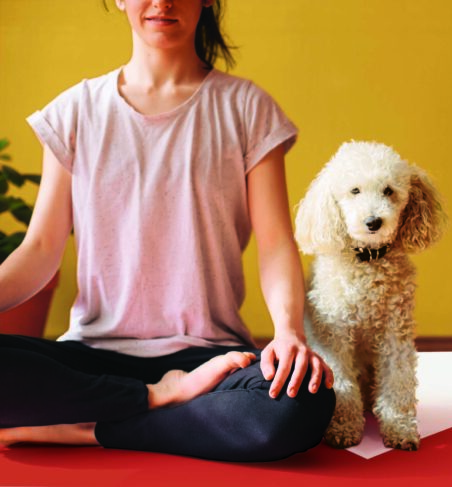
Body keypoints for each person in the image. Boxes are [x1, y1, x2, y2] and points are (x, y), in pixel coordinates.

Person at [0, 0, 335, 462]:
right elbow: (39, 250)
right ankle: (156, 400)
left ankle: (82, 429)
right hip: (93, 355)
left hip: (211, 357)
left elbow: (276, 242)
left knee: (303, 400)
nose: (162, 2)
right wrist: (158, 392)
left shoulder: (246, 107)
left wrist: (289, 332)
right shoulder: (75, 111)